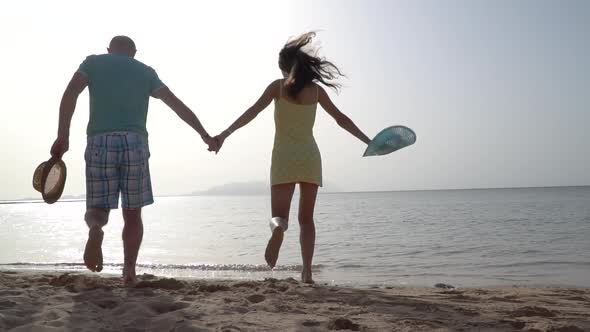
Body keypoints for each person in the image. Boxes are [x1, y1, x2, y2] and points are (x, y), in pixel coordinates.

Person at [50, 36, 217, 284]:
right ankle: (129, 272)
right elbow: (176, 105)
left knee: (97, 209)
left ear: (109, 50)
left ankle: (96, 230)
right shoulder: (146, 72)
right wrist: (205, 135)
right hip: (135, 143)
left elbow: (71, 92)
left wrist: (62, 135)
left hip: (100, 141)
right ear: (134, 53)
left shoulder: (93, 63)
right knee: (132, 214)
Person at [213, 32, 371, 283]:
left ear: (284, 67)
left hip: (284, 158)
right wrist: (368, 141)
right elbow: (341, 120)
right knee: (306, 220)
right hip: (310, 157)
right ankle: (307, 273)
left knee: (281, 217)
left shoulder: (277, 87)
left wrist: (223, 135)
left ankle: (277, 229)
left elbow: (251, 113)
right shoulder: (317, 92)